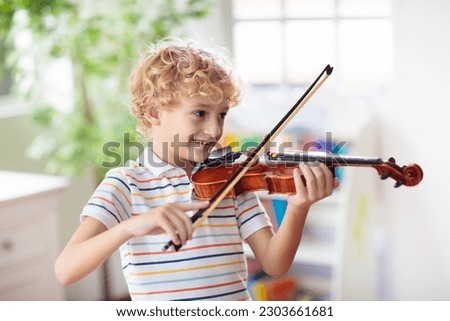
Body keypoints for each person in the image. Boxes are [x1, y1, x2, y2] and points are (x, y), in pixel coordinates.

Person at [54, 38, 339, 301]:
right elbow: (66, 269)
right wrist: (129, 227)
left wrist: (298, 206)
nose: (215, 129)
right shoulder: (126, 185)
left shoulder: (232, 179)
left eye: (222, 115)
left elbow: (275, 264)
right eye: (200, 113)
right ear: (154, 112)